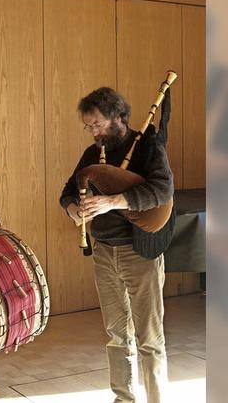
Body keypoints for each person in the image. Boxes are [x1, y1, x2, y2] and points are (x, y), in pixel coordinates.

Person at [59, 87, 174, 403]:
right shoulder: (92, 153)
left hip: (139, 252)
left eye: (97, 124)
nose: (93, 132)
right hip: (104, 251)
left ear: (119, 117)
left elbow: (162, 192)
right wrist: (75, 211)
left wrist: (114, 201)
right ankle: (123, 399)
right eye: (89, 126)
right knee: (116, 336)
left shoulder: (147, 146)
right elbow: (68, 191)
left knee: (149, 338)